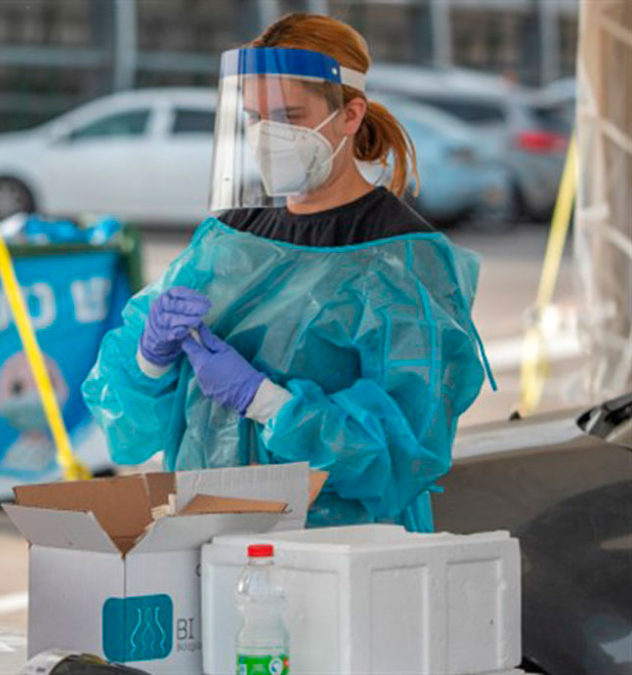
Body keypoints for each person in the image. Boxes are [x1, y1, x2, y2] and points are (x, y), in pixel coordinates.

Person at [83, 14, 494, 533]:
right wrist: (149, 359)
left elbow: (401, 453)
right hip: (209, 536)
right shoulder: (228, 243)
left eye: (289, 116)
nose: (267, 136)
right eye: (254, 118)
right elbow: (129, 426)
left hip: (341, 551)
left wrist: (263, 399)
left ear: (349, 115)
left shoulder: (400, 261)